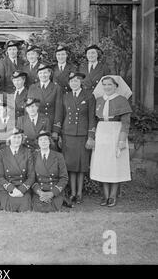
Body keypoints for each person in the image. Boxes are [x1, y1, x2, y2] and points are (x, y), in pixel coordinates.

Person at [90, 75, 132, 207]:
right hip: (101, 132)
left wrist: (122, 139)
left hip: (115, 132)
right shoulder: (99, 100)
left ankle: (113, 196)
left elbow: (126, 122)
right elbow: (94, 120)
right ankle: (105, 195)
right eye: (105, 85)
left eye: (110, 85)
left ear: (116, 86)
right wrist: (92, 136)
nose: (107, 87)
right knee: (102, 164)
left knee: (115, 164)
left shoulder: (122, 100)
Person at [59, 72, 96, 204]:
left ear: (81, 82)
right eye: (72, 81)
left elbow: (92, 118)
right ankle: (72, 193)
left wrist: (91, 136)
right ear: (69, 84)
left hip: (82, 135)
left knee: (81, 166)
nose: (74, 83)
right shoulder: (65, 96)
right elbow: (61, 116)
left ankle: (79, 193)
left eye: (76, 81)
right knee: (70, 165)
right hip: (68, 134)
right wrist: (59, 134)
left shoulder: (89, 96)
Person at [0, 128, 35, 212]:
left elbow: (31, 176)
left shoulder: (28, 153)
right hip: (7, 188)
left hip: (23, 187)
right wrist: (12, 189)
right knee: (8, 207)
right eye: (14, 137)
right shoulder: (1, 153)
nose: (16, 140)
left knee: (25, 207)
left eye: (19, 137)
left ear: (22, 139)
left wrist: (21, 190)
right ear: (9, 139)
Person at [31, 131, 69, 212]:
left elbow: (64, 178)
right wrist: (40, 193)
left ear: (49, 142)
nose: (43, 142)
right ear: (38, 143)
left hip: (54, 190)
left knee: (52, 207)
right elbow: (31, 178)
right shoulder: (33, 156)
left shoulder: (58, 156)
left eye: (45, 139)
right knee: (38, 207)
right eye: (41, 140)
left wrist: (52, 193)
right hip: (40, 191)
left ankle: (61, 199)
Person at [27, 64, 63, 145]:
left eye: (45, 73)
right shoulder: (32, 87)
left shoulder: (56, 88)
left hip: (49, 125)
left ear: (50, 73)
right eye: (41, 73)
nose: (43, 75)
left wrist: (56, 130)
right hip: (35, 124)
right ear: (38, 75)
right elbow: (28, 108)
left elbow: (59, 110)